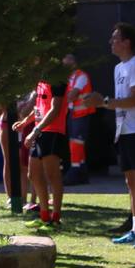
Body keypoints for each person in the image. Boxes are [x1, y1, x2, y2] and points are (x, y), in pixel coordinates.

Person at [82, 22, 135, 249]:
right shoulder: (118, 68)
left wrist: (103, 102)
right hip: (123, 131)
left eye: (115, 38)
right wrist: (103, 102)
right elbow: (121, 102)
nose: (111, 42)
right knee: (131, 182)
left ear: (126, 42)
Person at [13, 75, 68, 231]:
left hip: (53, 132)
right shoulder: (41, 81)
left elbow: (55, 109)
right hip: (40, 131)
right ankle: (45, 217)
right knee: (33, 174)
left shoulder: (57, 78)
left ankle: (55, 218)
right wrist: (25, 123)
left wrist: (35, 130)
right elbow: (39, 108)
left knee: (52, 175)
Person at [62, 55, 94, 186]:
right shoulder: (71, 78)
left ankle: (75, 172)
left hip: (81, 114)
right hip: (74, 114)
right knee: (76, 143)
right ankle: (81, 173)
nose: (63, 65)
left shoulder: (81, 76)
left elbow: (72, 95)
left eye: (66, 62)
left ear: (73, 62)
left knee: (76, 143)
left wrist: (62, 100)